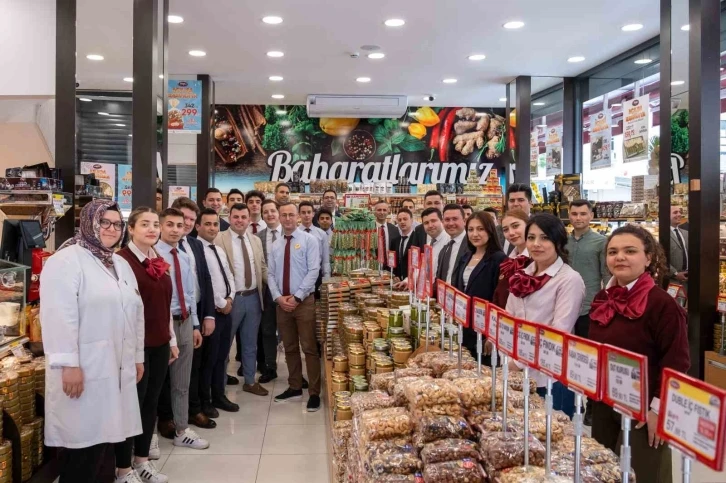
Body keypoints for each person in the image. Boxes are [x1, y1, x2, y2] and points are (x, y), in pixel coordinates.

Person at [41, 200, 144, 483]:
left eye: (117, 224)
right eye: (104, 222)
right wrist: (68, 364)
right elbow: (58, 317)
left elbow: (136, 313)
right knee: (82, 449)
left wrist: (137, 357)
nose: (112, 229)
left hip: (115, 368)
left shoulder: (119, 263)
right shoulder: (65, 261)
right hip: (83, 370)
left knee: (105, 443)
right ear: (88, 223)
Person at [589, 224, 690, 483]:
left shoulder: (662, 304)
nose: (620, 257)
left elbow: (676, 361)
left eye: (630, 251)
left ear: (648, 258)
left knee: (643, 473)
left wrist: (659, 409)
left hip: (643, 409)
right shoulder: (603, 297)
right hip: (605, 400)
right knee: (604, 471)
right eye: (613, 252)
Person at [116, 207, 178, 483]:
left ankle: (141, 460)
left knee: (150, 404)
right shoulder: (121, 261)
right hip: (135, 348)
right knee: (131, 406)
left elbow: (165, 304)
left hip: (159, 343)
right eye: (145, 224)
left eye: (155, 224)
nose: (152, 229)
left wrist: (171, 339)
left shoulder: (157, 259)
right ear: (130, 229)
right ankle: (122, 469)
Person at [506, 213, 585, 418]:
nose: (536, 244)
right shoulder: (521, 275)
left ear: (558, 241)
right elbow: (508, 318)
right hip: (516, 371)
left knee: (553, 431)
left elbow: (558, 333)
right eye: (531, 238)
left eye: (545, 238)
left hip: (550, 374)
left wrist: (518, 362)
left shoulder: (569, 280)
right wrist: (508, 357)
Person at [154, 208, 209, 450]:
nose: (176, 230)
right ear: (160, 227)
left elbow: (189, 294)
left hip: (185, 322)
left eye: (179, 225)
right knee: (155, 384)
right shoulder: (152, 255)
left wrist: (195, 324)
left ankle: (182, 429)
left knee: (182, 382)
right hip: (161, 324)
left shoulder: (185, 257)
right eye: (170, 225)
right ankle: (149, 437)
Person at [169, 197, 216, 430]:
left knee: (192, 366)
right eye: (182, 218)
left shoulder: (195, 245)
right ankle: (168, 417)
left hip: (193, 313)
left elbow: (205, 280)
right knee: (169, 370)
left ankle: (192, 409)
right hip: (169, 316)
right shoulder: (161, 247)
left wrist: (208, 315)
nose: (186, 224)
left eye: (190, 219)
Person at [269, 203, 322, 412]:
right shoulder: (275, 245)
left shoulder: (309, 240)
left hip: (304, 302)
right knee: (289, 347)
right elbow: (270, 274)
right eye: (284, 215)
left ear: (298, 216)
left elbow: (314, 270)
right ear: (279, 217)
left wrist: (297, 297)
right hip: (282, 304)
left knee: (309, 348)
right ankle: (295, 386)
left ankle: (314, 393)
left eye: (291, 214)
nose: (288, 218)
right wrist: (278, 298)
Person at [214, 203, 269, 396]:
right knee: (224, 345)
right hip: (231, 300)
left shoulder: (255, 240)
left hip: (253, 298)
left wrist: (278, 289)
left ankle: (250, 381)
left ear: (249, 219)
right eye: (236, 216)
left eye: (243, 217)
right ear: (229, 217)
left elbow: (262, 268)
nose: (239, 220)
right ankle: (219, 386)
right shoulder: (218, 239)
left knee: (250, 343)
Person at [194, 209, 240, 414]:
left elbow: (229, 276)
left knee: (222, 357)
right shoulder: (197, 250)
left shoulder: (218, 250)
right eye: (208, 224)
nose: (212, 228)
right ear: (198, 226)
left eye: (215, 224)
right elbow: (205, 283)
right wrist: (221, 302)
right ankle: (206, 401)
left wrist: (230, 299)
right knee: (209, 360)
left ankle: (219, 395)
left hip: (226, 310)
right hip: (211, 312)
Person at [451, 211, 507, 358]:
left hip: (485, 328)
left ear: (490, 231)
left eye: (480, 229)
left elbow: (500, 300)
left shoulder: (499, 259)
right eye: (471, 230)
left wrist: (493, 334)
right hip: (464, 325)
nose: (475, 234)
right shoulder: (466, 257)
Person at [256, 200, 284, 383]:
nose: (270, 214)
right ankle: (270, 367)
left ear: (278, 212)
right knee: (267, 330)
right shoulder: (257, 237)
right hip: (267, 291)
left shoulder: (290, 233)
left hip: (289, 290)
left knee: (290, 332)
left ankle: (296, 373)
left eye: (273, 211)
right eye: (266, 212)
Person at [492, 209, 532, 308]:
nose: (511, 233)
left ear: (528, 225)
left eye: (515, 226)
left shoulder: (538, 261)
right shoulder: (508, 261)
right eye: (505, 230)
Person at [299, 201, 331, 288]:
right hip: (299, 274)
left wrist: (327, 277)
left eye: (309, 212)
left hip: (317, 274)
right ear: (299, 214)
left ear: (313, 214)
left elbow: (325, 258)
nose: (306, 215)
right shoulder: (295, 233)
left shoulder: (321, 234)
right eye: (303, 212)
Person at [437, 204, 470, 285]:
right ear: (443, 222)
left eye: (455, 219)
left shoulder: (471, 245)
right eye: (447, 220)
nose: (451, 223)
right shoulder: (445, 249)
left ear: (464, 221)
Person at [373, 199, 400, 272]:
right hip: (373, 267)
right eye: (379, 210)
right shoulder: (369, 228)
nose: (382, 212)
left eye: (384, 210)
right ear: (374, 212)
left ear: (388, 211)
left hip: (390, 269)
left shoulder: (394, 229)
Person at [393, 209, 416, 287]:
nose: (402, 222)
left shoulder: (417, 239)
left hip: (412, 282)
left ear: (412, 220)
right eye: (399, 220)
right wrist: (395, 275)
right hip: (399, 283)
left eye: (405, 219)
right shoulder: (395, 241)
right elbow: (395, 261)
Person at [668, 205, 688, 288]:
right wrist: (675, 274)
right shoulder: (664, 233)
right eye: (675, 212)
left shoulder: (686, 233)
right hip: (671, 280)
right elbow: (661, 258)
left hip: (687, 280)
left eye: (680, 212)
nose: (679, 214)